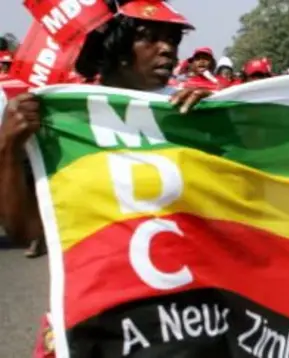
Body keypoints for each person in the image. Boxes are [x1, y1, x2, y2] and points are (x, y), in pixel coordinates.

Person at [0, 0, 212, 355]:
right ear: (115, 48)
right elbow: (27, 232)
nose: (167, 49)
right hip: (93, 322)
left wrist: (221, 121)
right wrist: (8, 148)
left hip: (179, 324)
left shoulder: (189, 111)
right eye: (150, 38)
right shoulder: (62, 119)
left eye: (172, 39)